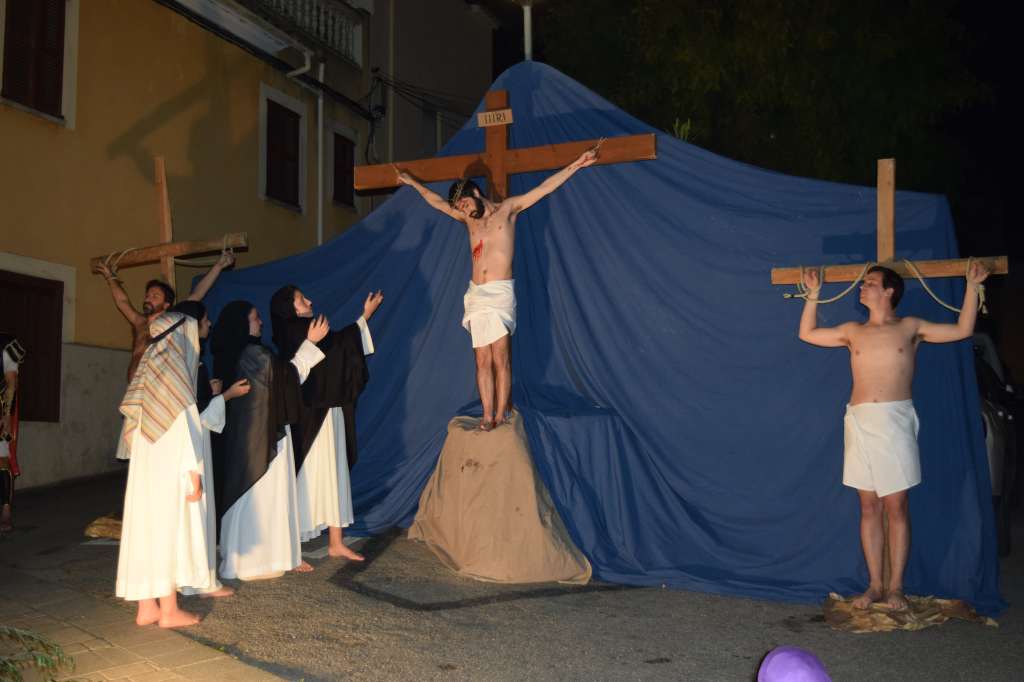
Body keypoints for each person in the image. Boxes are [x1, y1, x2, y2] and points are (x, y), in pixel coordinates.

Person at [798, 262, 990, 609]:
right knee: (868, 506)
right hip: (859, 421)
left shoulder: (910, 327)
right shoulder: (852, 331)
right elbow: (807, 334)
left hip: (895, 421)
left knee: (896, 506)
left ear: (888, 291)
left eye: (870, 282)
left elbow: (963, 329)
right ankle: (874, 585)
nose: (862, 287)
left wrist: (972, 287)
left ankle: (896, 587)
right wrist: (813, 294)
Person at [396, 146, 599, 430]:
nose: (463, 210)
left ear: (475, 192)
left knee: (500, 356)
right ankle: (487, 415)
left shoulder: (508, 209)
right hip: (476, 295)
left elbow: (544, 188)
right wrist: (413, 183)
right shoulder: (468, 220)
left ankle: (501, 415)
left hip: (500, 292)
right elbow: (437, 202)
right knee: (482, 359)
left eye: (464, 203)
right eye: (460, 208)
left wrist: (576, 164)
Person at [211, 301, 328, 580]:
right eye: (255, 318)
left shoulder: (238, 352)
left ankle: (275, 555)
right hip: (258, 436)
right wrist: (310, 343)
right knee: (262, 494)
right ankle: (254, 562)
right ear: (243, 323)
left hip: (251, 435)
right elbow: (287, 379)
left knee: (263, 495)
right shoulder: (253, 353)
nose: (260, 322)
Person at [270, 285, 382, 560]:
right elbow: (328, 355)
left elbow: (337, 350)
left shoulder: (305, 329)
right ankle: (291, 547)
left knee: (334, 473)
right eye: (301, 299)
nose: (309, 301)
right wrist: (364, 318)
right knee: (308, 476)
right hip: (309, 417)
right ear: (290, 307)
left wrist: (363, 319)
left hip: (329, 412)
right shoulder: (292, 331)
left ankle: (335, 541)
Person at [114, 312, 209, 627]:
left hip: (145, 474)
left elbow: (130, 433)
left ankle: (147, 607)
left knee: (146, 532)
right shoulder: (176, 377)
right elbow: (185, 432)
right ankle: (169, 610)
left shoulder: (147, 372)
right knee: (169, 531)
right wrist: (193, 474)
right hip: (170, 472)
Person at [168, 301, 249, 599]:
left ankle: (190, 578)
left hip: (187, 443)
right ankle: (198, 581)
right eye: (204, 320)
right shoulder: (190, 363)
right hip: (191, 446)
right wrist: (225, 396)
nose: (209, 324)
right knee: (195, 511)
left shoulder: (186, 360)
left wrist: (212, 394)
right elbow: (195, 414)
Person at [95, 250, 234, 381]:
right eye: (147, 295)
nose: (148, 299)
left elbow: (196, 295)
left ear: (166, 304)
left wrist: (219, 265)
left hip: (158, 389)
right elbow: (122, 302)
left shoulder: (171, 322)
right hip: (135, 391)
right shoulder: (139, 322)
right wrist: (110, 277)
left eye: (155, 296)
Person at [0, 333, 26, 533]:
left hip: (0, 411)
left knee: (1, 460)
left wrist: (7, 415)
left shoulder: (6, 346)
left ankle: (5, 510)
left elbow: (11, 383)